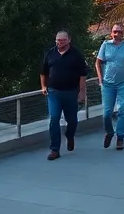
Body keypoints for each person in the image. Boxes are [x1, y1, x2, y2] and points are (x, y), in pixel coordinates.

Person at [40, 29, 88, 160]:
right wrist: (43, 86)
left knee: (72, 120)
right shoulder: (50, 53)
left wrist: (82, 92)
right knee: (54, 118)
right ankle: (55, 149)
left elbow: (82, 75)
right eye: (58, 40)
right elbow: (43, 71)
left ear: (69, 40)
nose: (60, 42)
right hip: (54, 92)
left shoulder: (76, 54)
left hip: (71, 92)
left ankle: (70, 135)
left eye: (63, 40)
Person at [96, 23, 124, 151]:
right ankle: (109, 132)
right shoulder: (105, 45)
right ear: (111, 33)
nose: (117, 34)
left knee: (121, 109)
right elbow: (98, 62)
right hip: (107, 83)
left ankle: (120, 137)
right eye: (115, 31)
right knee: (107, 113)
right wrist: (100, 78)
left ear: (123, 33)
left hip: (123, 83)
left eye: (119, 32)